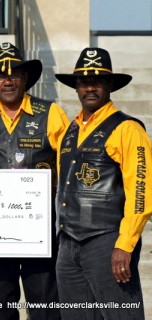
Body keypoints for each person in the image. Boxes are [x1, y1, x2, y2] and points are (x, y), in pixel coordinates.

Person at [0, 42, 69, 320]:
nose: (8, 81)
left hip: (40, 230)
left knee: (45, 304)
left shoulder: (51, 113)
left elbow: (69, 164)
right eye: (1, 76)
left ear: (26, 79)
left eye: (15, 74)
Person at [54, 47, 152, 319]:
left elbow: (141, 192)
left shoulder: (128, 129)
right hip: (69, 242)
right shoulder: (69, 130)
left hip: (107, 241)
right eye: (84, 81)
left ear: (110, 85)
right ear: (76, 86)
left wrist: (125, 244)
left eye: (98, 81)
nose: (90, 87)